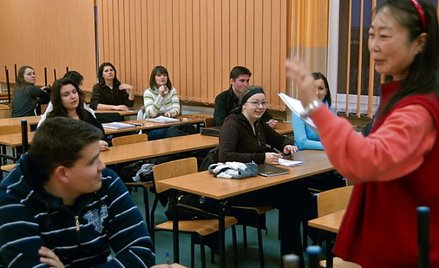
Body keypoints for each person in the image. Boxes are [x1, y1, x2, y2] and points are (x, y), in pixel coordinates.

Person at [286, 0, 439, 266]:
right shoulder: (399, 94)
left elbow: (367, 161)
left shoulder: (419, 108)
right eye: (371, 34)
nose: (374, 45)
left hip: (407, 244)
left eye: (385, 35)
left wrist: (314, 106)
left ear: (420, 43)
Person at [0, 117, 155, 267]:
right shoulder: (13, 203)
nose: (102, 166)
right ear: (62, 174)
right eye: (93, 161)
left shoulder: (105, 180)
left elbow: (142, 252)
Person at [219, 85, 312, 266]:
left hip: (259, 181)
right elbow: (225, 156)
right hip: (239, 189)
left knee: (296, 192)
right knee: (294, 195)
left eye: (263, 103)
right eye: (255, 103)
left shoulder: (259, 124)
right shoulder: (232, 124)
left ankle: (297, 253)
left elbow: (280, 139)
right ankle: (314, 237)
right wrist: (262, 157)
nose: (260, 107)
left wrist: (286, 145)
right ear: (244, 105)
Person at [38, 78, 109, 151]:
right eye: (66, 94)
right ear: (58, 99)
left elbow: (101, 134)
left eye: (74, 92)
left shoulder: (85, 114)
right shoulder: (53, 121)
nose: (73, 97)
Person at [214, 66, 278, 128]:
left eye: (247, 81)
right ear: (232, 81)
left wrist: (270, 121)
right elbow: (220, 122)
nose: (246, 84)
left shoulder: (250, 96)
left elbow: (264, 114)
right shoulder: (222, 98)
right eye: (242, 81)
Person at [292, 72, 334, 150]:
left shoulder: (331, 110)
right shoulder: (298, 110)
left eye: (321, 88)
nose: (317, 93)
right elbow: (301, 142)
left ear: (326, 91)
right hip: (305, 156)